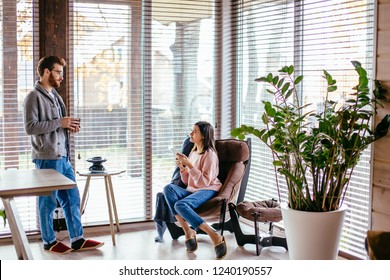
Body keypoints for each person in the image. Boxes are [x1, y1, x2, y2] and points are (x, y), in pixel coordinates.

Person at [23, 56, 104, 254]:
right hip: (47, 158)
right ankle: (49, 242)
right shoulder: (33, 97)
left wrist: (69, 126)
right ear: (47, 72)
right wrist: (60, 123)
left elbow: (59, 123)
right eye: (58, 72)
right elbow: (30, 127)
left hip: (63, 157)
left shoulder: (55, 96)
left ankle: (77, 239)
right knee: (48, 201)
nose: (61, 76)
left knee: (72, 198)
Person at [163, 121, 227, 259]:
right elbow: (187, 182)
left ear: (203, 135)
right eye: (191, 131)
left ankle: (214, 234)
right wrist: (182, 168)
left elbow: (204, 182)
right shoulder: (193, 151)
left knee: (180, 205)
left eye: (195, 132)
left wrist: (190, 166)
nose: (190, 134)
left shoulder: (210, 154)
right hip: (193, 190)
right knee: (168, 189)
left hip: (208, 189)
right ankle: (188, 230)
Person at [153, 136, 194, 242]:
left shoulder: (205, 155)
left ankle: (162, 232)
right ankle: (161, 232)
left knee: (164, 194)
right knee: (161, 196)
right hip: (182, 181)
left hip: (191, 190)